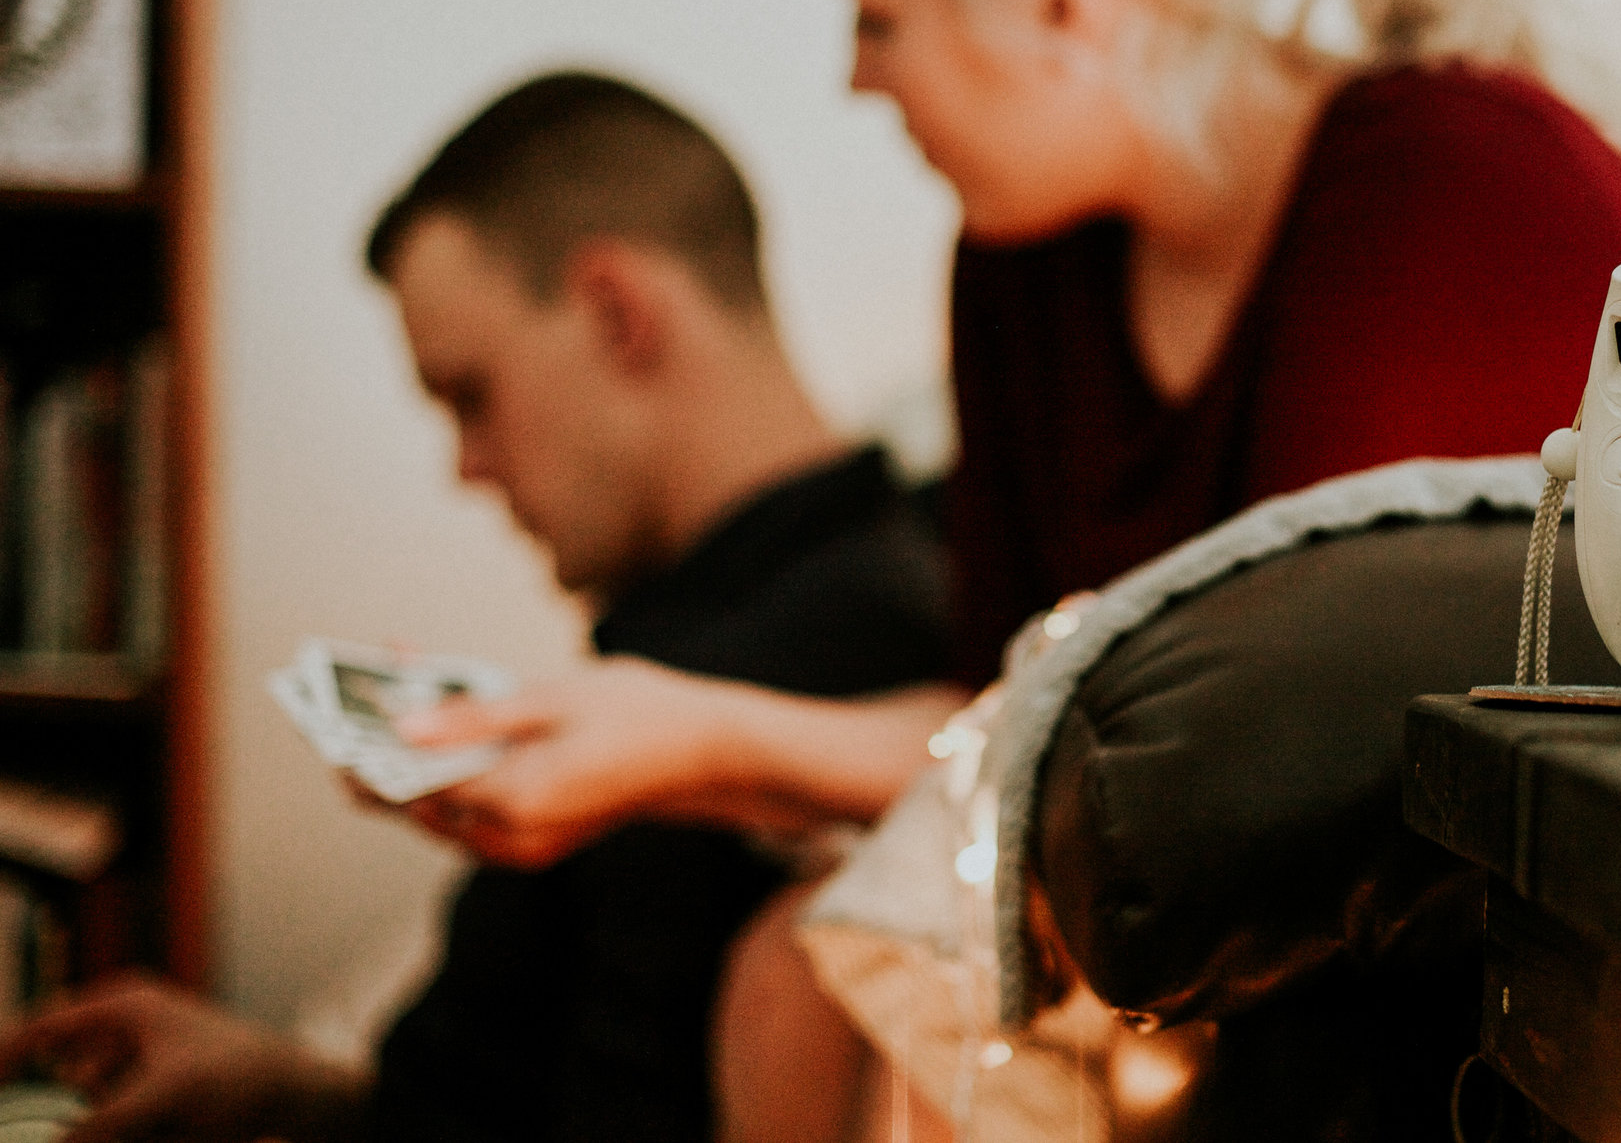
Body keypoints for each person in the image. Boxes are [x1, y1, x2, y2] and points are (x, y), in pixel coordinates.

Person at [378, 0, 1621, 1138]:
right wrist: (660, 739)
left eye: (875, 12)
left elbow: (1272, 791)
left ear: (1064, 3)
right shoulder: (1024, 270)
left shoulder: (1446, 189)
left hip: (1469, 992)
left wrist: (712, 737)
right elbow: (1004, 709)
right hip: (1230, 964)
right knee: (798, 976)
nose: (855, 77)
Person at [0, 73, 951, 1143]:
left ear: (615, 312)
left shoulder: (793, 655)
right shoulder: (721, 625)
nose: (467, 466)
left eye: (470, 394)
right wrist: (278, 1084)